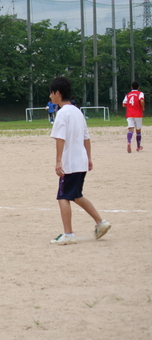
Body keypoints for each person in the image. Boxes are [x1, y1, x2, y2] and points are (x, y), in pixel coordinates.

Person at [48, 76, 111, 245]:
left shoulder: (62, 114)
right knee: (76, 195)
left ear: (58, 93)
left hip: (70, 163)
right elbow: (86, 138)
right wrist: (88, 158)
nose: (50, 97)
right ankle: (101, 222)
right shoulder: (77, 111)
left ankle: (68, 234)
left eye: (51, 93)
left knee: (63, 196)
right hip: (81, 161)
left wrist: (58, 161)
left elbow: (60, 139)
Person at [122, 81, 145, 153]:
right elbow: (141, 100)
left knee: (130, 129)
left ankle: (129, 142)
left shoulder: (128, 95)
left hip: (129, 114)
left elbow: (123, 104)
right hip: (137, 113)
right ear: (138, 87)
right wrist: (143, 107)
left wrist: (130, 106)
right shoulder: (140, 93)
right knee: (138, 130)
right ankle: (138, 146)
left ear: (131, 87)